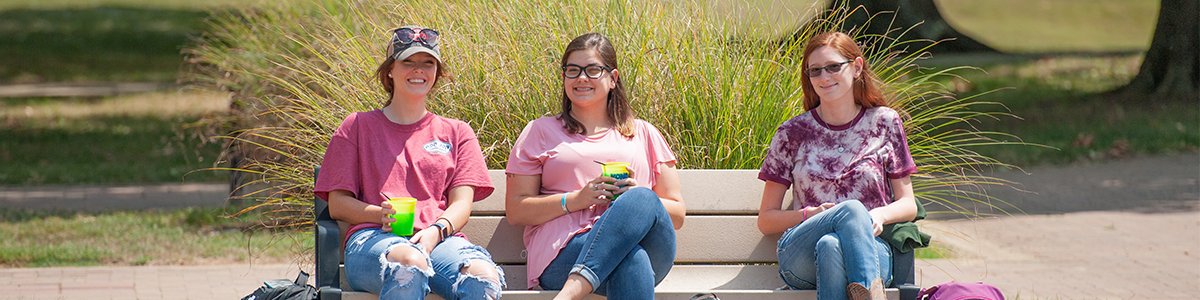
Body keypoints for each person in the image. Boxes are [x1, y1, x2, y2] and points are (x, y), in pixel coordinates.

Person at [314, 25, 504, 300]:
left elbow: (462, 204)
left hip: (439, 242)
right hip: (373, 240)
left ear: (437, 72)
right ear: (390, 70)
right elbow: (338, 203)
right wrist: (379, 214)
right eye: (408, 62)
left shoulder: (457, 132)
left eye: (428, 63)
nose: (419, 70)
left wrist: (436, 231)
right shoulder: (357, 126)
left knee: (483, 279)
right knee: (409, 266)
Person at [504, 32, 685, 300]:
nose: (581, 78)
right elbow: (517, 210)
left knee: (641, 197)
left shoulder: (645, 133)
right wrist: (576, 199)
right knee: (631, 260)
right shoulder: (539, 131)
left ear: (612, 78)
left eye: (592, 70)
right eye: (572, 70)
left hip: (647, 244)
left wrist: (631, 197)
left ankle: (569, 294)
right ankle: (573, 286)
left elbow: (677, 214)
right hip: (563, 252)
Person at [756, 31, 919, 300]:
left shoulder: (885, 122)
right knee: (851, 210)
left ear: (856, 67)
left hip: (870, 247)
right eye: (815, 71)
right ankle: (871, 292)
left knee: (831, 245)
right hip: (800, 253)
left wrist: (877, 216)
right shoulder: (792, 132)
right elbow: (766, 220)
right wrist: (811, 214)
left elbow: (908, 204)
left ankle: (865, 287)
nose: (824, 77)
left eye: (833, 67)